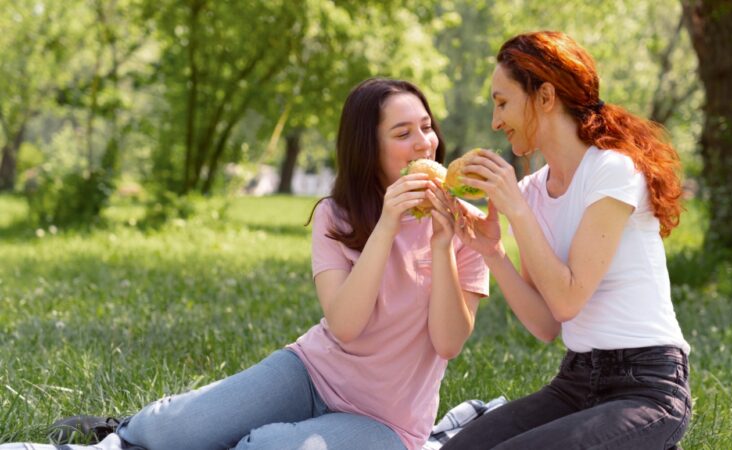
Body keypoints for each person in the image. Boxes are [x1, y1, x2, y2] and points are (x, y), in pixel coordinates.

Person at [0, 78, 489, 450]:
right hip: (312, 372)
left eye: (426, 127)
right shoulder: (335, 216)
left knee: (266, 447)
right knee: (180, 430)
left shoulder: (467, 224)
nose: (425, 143)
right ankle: (127, 430)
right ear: (368, 148)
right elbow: (344, 325)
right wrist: (385, 226)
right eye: (403, 133)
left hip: (387, 422)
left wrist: (443, 244)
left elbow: (448, 342)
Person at [440, 31, 691, 449]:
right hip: (576, 381)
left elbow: (568, 299)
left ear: (545, 96)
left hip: (647, 387)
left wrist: (517, 211)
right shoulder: (535, 191)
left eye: (502, 103)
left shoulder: (612, 170)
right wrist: (493, 252)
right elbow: (545, 324)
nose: (495, 122)